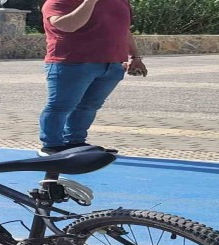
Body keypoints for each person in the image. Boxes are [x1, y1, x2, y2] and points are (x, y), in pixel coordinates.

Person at [38, 0, 147, 156]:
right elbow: (68, 25)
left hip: (112, 65)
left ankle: (75, 141)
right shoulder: (58, 1)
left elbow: (123, 30)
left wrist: (135, 56)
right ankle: (51, 146)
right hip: (72, 63)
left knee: (89, 106)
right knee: (60, 106)